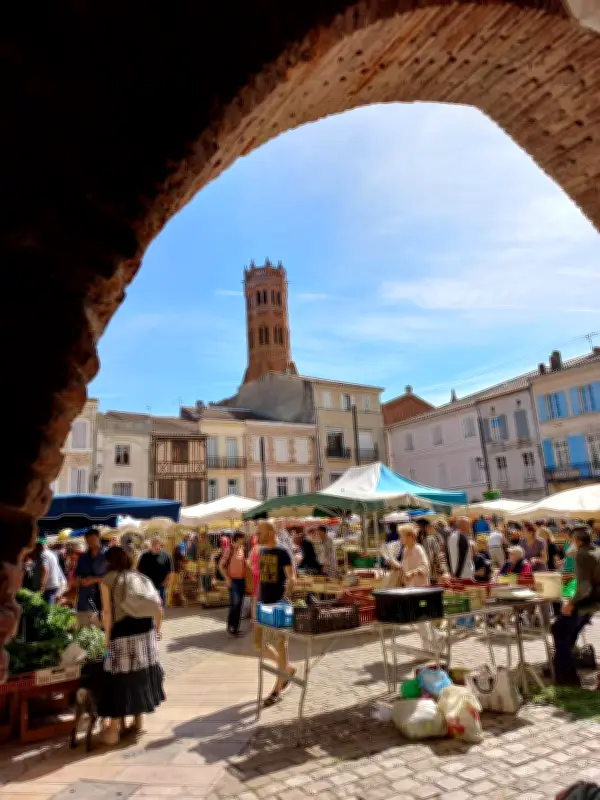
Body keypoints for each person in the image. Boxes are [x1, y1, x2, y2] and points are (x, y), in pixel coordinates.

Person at [99, 546, 164, 744]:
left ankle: (113, 730)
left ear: (110, 561)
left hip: (123, 631)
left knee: (119, 677)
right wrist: (157, 630)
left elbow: (107, 612)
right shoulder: (139, 577)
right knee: (140, 674)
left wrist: (107, 641)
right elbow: (158, 606)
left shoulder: (108, 579)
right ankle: (138, 720)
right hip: (146, 630)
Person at [552, 527, 600, 686]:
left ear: (578, 541)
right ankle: (561, 662)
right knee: (569, 631)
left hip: (588, 601)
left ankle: (567, 674)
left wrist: (571, 604)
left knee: (558, 628)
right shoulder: (596, 551)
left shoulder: (582, 555)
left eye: (572, 541)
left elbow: (584, 588)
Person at [255, 520, 296, 707]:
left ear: (271, 532)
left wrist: (284, 598)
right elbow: (262, 580)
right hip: (264, 603)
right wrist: (256, 603)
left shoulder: (283, 551)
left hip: (279, 604)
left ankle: (277, 690)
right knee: (259, 644)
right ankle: (287, 668)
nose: (257, 535)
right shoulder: (263, 551)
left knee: (280, 645)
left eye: (260, 532)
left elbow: (292, 578)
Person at [137, 535, 173, 635]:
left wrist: (165, 583)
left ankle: (157, 631)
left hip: (160, 587)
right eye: (153, 543)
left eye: (157, 543)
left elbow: (170, 572)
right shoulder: (145, 556)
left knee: (159, 609)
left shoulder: (166, 556)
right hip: (146, 587)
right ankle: (147, 628)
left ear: (160, 544)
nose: (155, 545)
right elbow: (138, 571)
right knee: (147, 608)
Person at [75, 528, 108, 627]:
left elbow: (113, 576)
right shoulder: (83, 557)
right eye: (88, 541)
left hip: (102, 596)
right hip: (84, 597)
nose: (90, 543)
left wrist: (94, 580)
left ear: (99, 538)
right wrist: (79, 580)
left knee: (101, 626)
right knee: (84, 625)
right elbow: (78, 574)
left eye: (92, 540)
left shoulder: (108, 555)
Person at [219, 531, 248, 637]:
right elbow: (220, 566)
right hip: (233, 581)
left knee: (240, 604)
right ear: (238, 539)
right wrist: (227, 578)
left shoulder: (242, 549)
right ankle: (231, 627)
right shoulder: (229, 549)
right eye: (243, 538)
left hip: (242, 580)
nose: (244, 540)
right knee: (235, 604)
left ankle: (235, 628)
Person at [416, 518, 448, 584]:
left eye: (419, 527)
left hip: (432, 573)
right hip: (439, 570)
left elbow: (429, 557)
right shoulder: (437, 536)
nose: (418, 529)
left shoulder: (428, 539)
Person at [39, 535, 65, 604]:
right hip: (55, 584)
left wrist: (42, 586)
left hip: (49, 586)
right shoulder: (51, 553)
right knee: (52, 605)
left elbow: (45, 570)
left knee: (48, 608)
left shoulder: (43, 554)